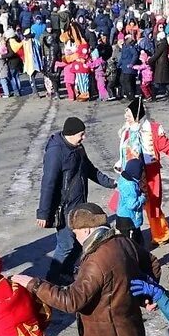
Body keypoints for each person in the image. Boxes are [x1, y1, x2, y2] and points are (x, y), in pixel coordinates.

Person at [15, 203, 159, 336]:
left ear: (87, 230)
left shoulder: (96, 260)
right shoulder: (123, 242)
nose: (76, 238)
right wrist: (146, 295)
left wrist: (34, 284)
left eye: (76, 233)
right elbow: (153, 264)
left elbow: (71, 301)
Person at [35, 117, 117, 283]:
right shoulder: (56, 152)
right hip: (64, 209)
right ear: (71, 134)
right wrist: (43, 213)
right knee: (65, 245)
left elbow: (90, 170)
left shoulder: (78, 148)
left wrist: (111, 183)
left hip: (78, 206)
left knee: (79, 243)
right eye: (81, 134)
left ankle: (65, 271)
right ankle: (52, 280)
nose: (84, 137)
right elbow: (48, 184)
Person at [115, 96, 169, 245]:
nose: (125, 117)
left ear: (136, 116)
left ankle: (161, 234)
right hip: (129, 175)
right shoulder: (127, 131)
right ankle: (129, 233)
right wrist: (120, 163)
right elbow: (125, 151)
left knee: (152, 207)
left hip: (148, 175)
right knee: (125, 203)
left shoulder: (152, 129)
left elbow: (167, 146)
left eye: (128, 114)